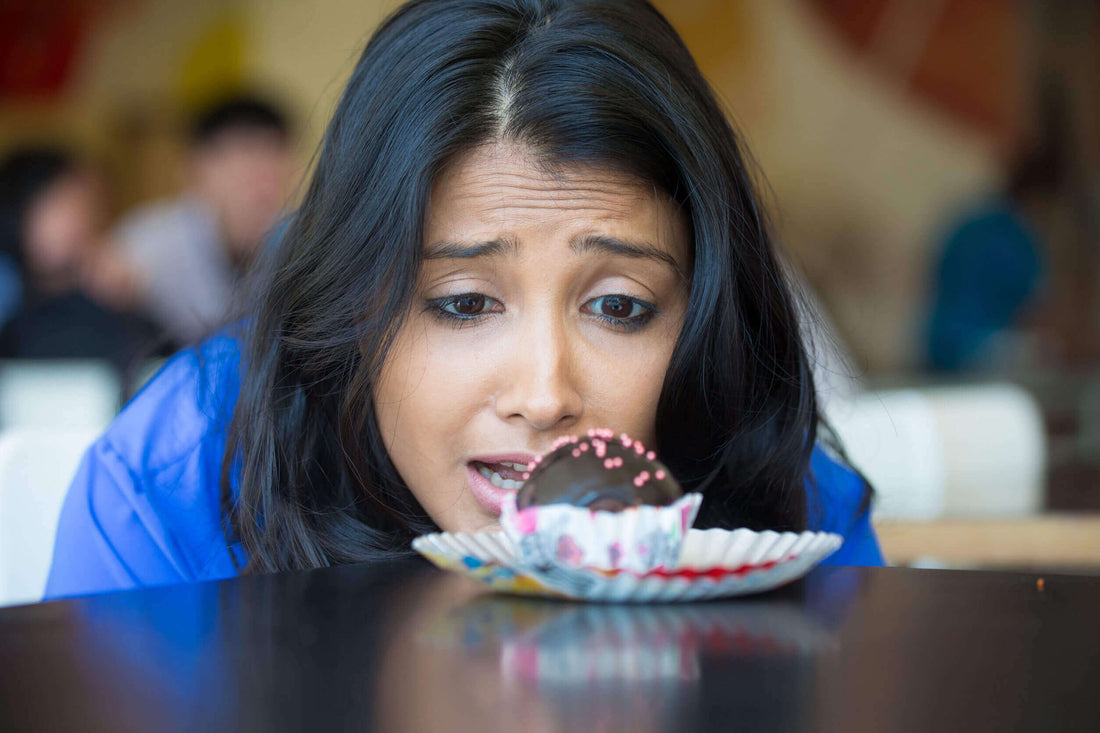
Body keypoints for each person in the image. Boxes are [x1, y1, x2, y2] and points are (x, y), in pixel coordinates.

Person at [44, 0, 883, 600]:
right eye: (464, 303)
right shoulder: (175, 485)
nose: (545, 394)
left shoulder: (772, 491)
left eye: (620, 307)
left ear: (699, 317)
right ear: (348, 305)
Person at [109, 94, 294, 346]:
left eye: (275, 157)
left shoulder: (295, 238)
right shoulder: (147, 242)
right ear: (198, 168)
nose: (264, 182)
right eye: (248, 157)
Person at [0, 147, 156, 370]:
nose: (77, 219)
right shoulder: (9, 300)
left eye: (81, 202)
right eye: (56, 204)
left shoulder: (117, 300)